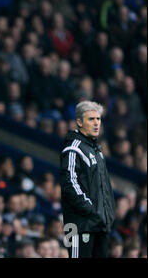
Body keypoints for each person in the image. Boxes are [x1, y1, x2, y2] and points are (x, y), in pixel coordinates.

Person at [60, 100, 116, 258]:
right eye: (91, 119)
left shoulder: (97, 150)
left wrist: (108, 214)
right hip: (80, 225)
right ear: (79, 122)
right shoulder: (73, 148)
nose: (96, 123)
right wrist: (92, 210)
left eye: (98, 119)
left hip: (99, 224)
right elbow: (70, 184)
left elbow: (105, 187)